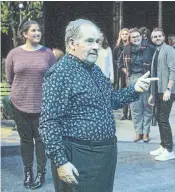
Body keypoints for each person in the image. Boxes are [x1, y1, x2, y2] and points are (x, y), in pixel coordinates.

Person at [39, 19, 152, 192]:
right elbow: (49, 121)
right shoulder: (60, 73)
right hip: (79, 155)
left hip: (104, 155)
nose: (96, 46)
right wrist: (60, 161)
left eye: (97, 41)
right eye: (89, 41)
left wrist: (134, 89)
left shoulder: (94, 70)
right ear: (72, 43)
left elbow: (109, 100)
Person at [5, 20, 56, 189]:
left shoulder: (48, 53)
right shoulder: (14, 54)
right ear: (25, 34)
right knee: (26, 140)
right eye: (33, 30)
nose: (37, 33)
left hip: (42, 105)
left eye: (39, 30)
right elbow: (10, 78)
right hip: (19, 104)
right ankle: (28, 172)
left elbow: (53, 78)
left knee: (41, 140)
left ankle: (41, 173)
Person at [118, 28, 155, 142]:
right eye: (133, 37)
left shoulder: (150, 48)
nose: (136, 38)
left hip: (146, 77)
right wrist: (127, 73)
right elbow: (120, 64)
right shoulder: (126, 49)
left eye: (137, 36)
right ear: (130, 39)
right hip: (133, 79)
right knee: (135, 107)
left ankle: (146, 133)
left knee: (147, 106)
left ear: (141, 36)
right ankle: (138, 132)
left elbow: (156, 63)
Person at [148, 28, 175, 161]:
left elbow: (174, 71)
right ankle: (163, 145)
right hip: (158, 91)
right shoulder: (157, 51)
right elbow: (155, 73)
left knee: (164, 119)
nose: (157, 38)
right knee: (160, 119)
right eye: (155, 36)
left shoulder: (169, 50)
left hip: (167, 91)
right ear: (152, 39)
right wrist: (152, 93)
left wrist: (168, 89)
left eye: (159, 36)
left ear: (164, 37)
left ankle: (169, 150)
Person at [113, 28, 132, 120]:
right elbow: (115, 60)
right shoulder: (117, 47)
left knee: (132, 92)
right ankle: (124, 113)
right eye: (123, 34)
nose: (125, 35)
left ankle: (131, 114)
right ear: (120, 36)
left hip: (131, 71)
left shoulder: (131, 46)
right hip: (121, 72)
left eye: (126, 34)